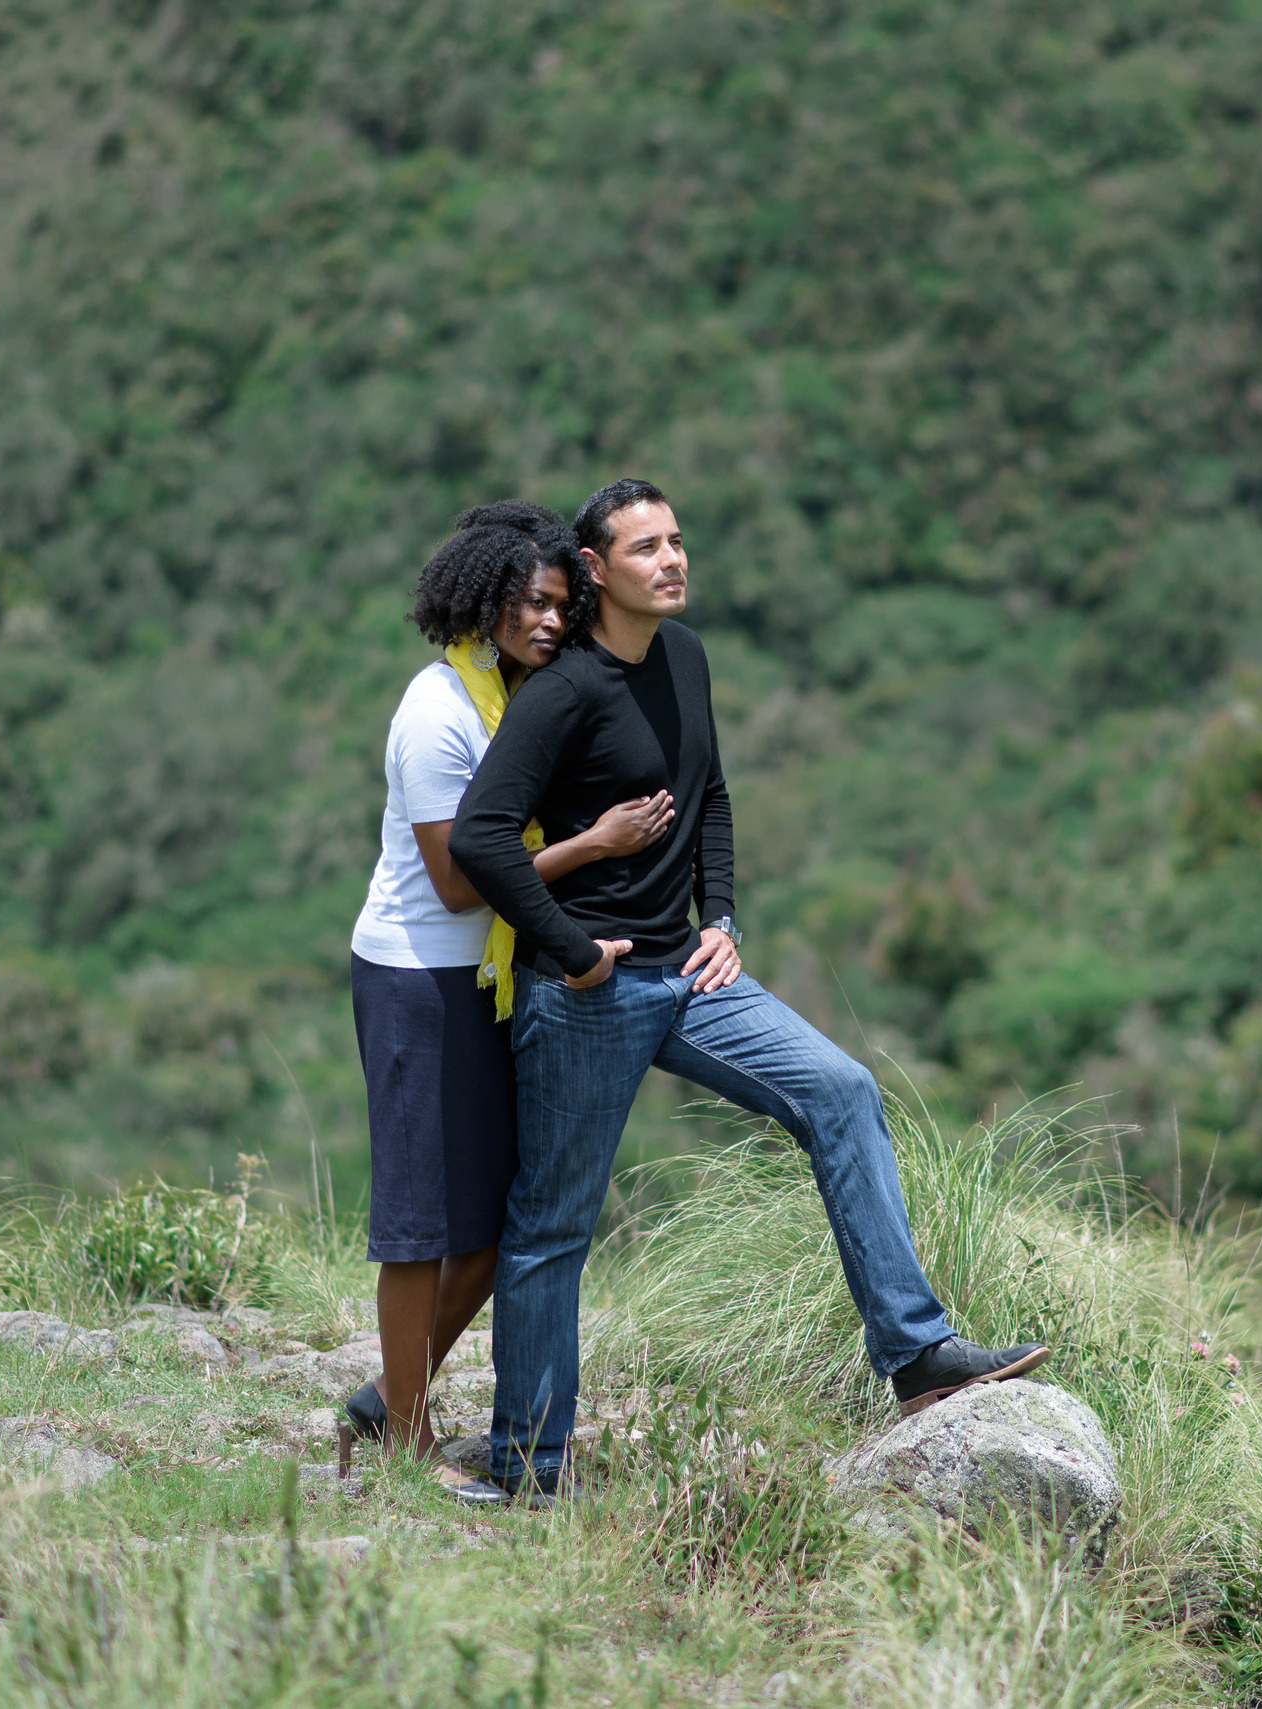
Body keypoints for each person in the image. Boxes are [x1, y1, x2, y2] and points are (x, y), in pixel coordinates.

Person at [449, 477, 1049, 1501]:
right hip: (588, 992)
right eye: (647, 547)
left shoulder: (684, 657)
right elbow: (479, 840)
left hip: (689, 972)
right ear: (597, 570)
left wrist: (720, 915)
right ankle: (524, 1471)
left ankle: (915, 1353)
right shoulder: (564, 692)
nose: (673, 559)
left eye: (678, 540)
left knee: (841, 1089)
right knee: (553, 1226)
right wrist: (573, 949)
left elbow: (709, 793)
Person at [341, 503, 678, 1483]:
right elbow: (458, 880)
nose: (544, 621)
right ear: (484, 598)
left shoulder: (518, 695)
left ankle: (382, 1399)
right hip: (417, 974)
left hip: (493, 971)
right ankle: (405, 1438)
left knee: (497, 1224)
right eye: (529, 602)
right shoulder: (438, 712)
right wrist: (596, 845)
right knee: (420, 1223)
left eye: (558, 606)